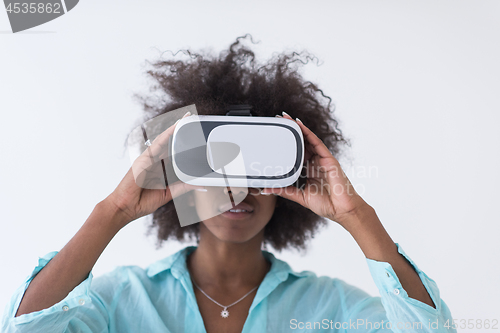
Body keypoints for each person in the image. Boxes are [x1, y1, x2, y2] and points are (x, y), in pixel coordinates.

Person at [2, 35, 456, 333]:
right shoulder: (123, 300)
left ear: (290, 177)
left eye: (259, 165)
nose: (237, 189)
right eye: (218, 163)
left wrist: (357, 217)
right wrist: (112, 213)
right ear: (181, 168)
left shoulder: (330, 309)